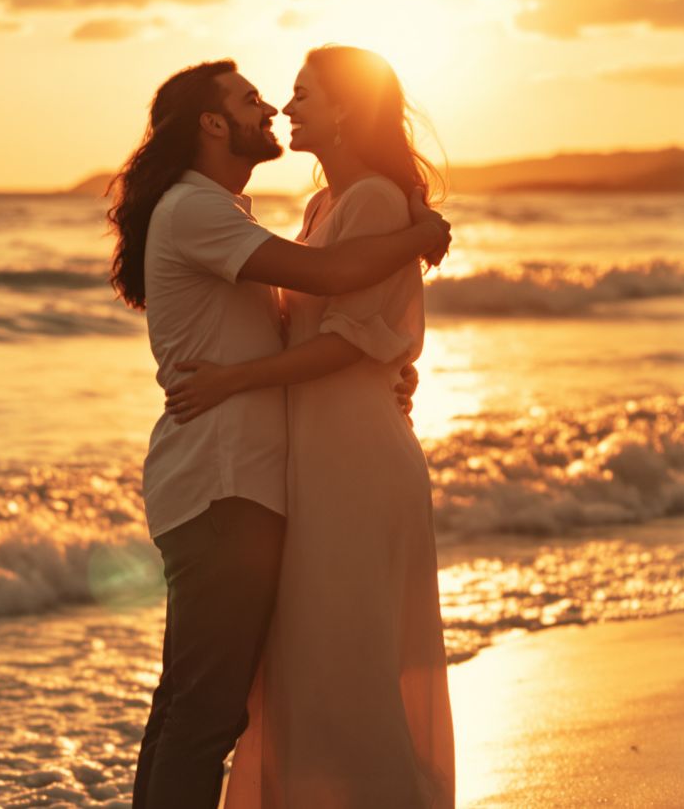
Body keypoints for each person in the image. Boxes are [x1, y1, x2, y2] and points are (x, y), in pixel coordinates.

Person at [105, 58, 451, 809]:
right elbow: (328, 282)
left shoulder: (241, 211)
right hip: (226, 484)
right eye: (253, 99)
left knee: (197, 706)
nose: (272, 108)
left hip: (266, 480)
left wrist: (384, 360)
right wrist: (424, 231)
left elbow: (334, 322)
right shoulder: (202, 211)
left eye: (291, 94)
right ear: (212, 122)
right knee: (204, 711)